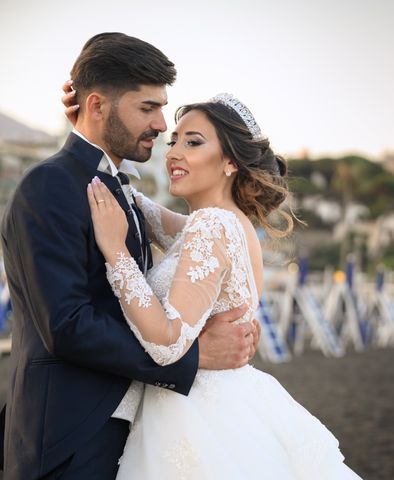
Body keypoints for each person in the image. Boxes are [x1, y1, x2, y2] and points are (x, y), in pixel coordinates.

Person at [0, 33, 258, 479]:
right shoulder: (50, 187)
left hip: (128, 430)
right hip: (70, 435)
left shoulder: (124, 192)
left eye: (163, 110)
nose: (161, 126)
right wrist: (194, 358)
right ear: (98, 106)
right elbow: (66, 325)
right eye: (148, 108)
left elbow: (206, 234)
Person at [84, 92, 362, 479]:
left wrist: (116, 253)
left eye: (193, 142)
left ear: (231, 161)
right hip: (229, 404)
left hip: (195, 416)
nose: (174, 153)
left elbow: (167, 343)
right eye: (173, 141)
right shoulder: (230, 224)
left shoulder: (211, 226)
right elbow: (142, 210)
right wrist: (93, 133)